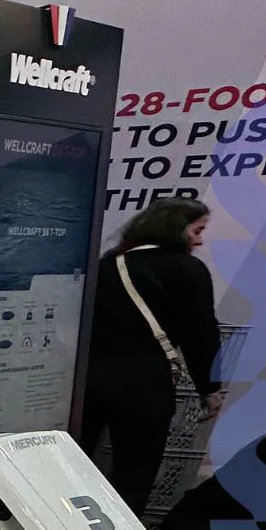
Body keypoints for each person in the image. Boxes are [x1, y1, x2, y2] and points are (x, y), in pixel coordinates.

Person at [79, 198, 224, 513]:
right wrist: (210, 387)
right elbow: (201, 333)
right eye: (197, 230)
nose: (200, 240)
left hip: (89, 380)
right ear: (176, 228)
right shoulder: (187, 269)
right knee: (134, 475)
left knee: (74, 463)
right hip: (146, 385)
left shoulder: (109, 263)